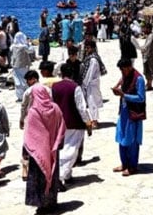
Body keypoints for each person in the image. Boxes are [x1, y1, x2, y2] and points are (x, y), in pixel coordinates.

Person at [23, 84, 66, 214]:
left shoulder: (33, 111)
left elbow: (29, 134)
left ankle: (41, 204)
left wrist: (25, 152)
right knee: (52, 175)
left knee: (38, 178)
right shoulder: (56, 108)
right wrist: (58, 144)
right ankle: (51, 202)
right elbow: (62, 127)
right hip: (53, 149)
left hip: (37, 154)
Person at [52, 63, 92, 190]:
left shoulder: (54, 87)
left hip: (59, 123)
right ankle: (60, 177)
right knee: (70, 151)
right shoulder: (75, 87)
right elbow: (81, 107)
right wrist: (87, 121)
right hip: (74, 123)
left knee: (62, 149)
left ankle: (67, 175)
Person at [111, 58, 146, 176]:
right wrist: (116, 87)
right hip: (124, 112)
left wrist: (124, 95)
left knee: (132, 141)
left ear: (129, 67)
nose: (122, 72)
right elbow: (122, 80)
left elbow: (141, 98)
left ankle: (132, 166)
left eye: (123, 69)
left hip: (134, 113)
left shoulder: (139, 79)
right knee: (121, 138)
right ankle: (124, 163)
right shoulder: (125, 76)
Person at [80, 40, 107, 128]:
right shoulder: (90, 57)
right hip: (91, 83)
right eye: (86, 48)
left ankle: (94, 121)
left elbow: (90, 73)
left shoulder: (93, 59)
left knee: (92, 103)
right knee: (90, 102)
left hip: (91, 84)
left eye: (88, 48)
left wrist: (84, 84)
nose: (87, 49)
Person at [10, 31, 32, 102]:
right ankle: (26, 95)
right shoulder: (24, 46)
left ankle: (20, 96)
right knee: (25, 80)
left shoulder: (13, 46)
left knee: (17, 81)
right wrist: (29, 44)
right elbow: (30, 51)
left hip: (15, 66)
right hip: (23, 65)